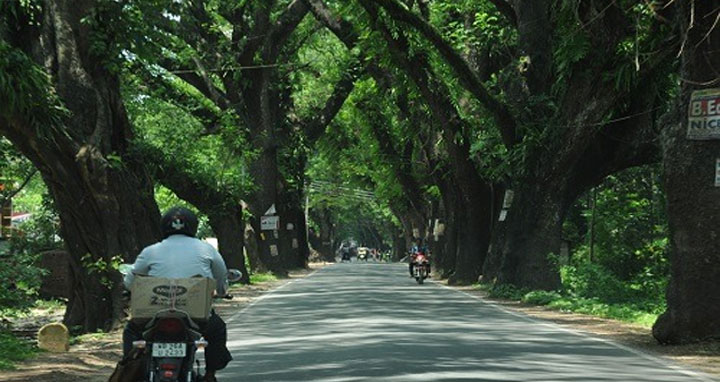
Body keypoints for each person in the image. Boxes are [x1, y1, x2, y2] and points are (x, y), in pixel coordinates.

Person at [122, 206, 232, 382]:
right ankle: (210, 375)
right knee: (217, 330)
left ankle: (129, 372)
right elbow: (220, 278)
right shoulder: (207, 250)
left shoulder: (150, 251)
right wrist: (221, 291)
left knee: (131, 330)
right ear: (193, 227)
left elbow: (129, 282)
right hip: (196, 317)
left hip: (154, 314)